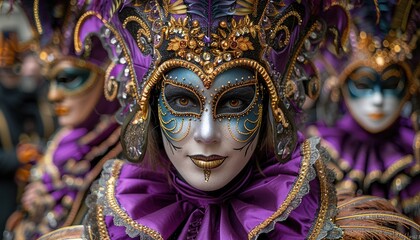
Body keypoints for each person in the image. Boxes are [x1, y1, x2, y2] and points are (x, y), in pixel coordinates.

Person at [40, 0, 419, 239]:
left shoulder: (333, 230)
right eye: (182, 102)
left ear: (271, 107)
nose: (206, 134)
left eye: (235, 103)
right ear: (150, 108)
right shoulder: (104, 230)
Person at [4, 1, 123, 239]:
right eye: (50, 81)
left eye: (68, 78)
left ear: (109, 78)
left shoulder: (130, 156)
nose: (53, 95)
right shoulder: (64, 140)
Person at [307, 0, 420, 221]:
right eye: (363, 85)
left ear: (410, 87)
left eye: (391, 85)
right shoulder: (316, 153)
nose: (377, 100)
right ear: (339, 86)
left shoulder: (416, 152)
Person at [0, 1, 57, 235]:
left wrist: (40, 153)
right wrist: (16, 158)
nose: (12, 78)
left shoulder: (37, 98)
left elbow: (54, 134)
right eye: (5, 72)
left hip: (39, 193)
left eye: (16, 71)